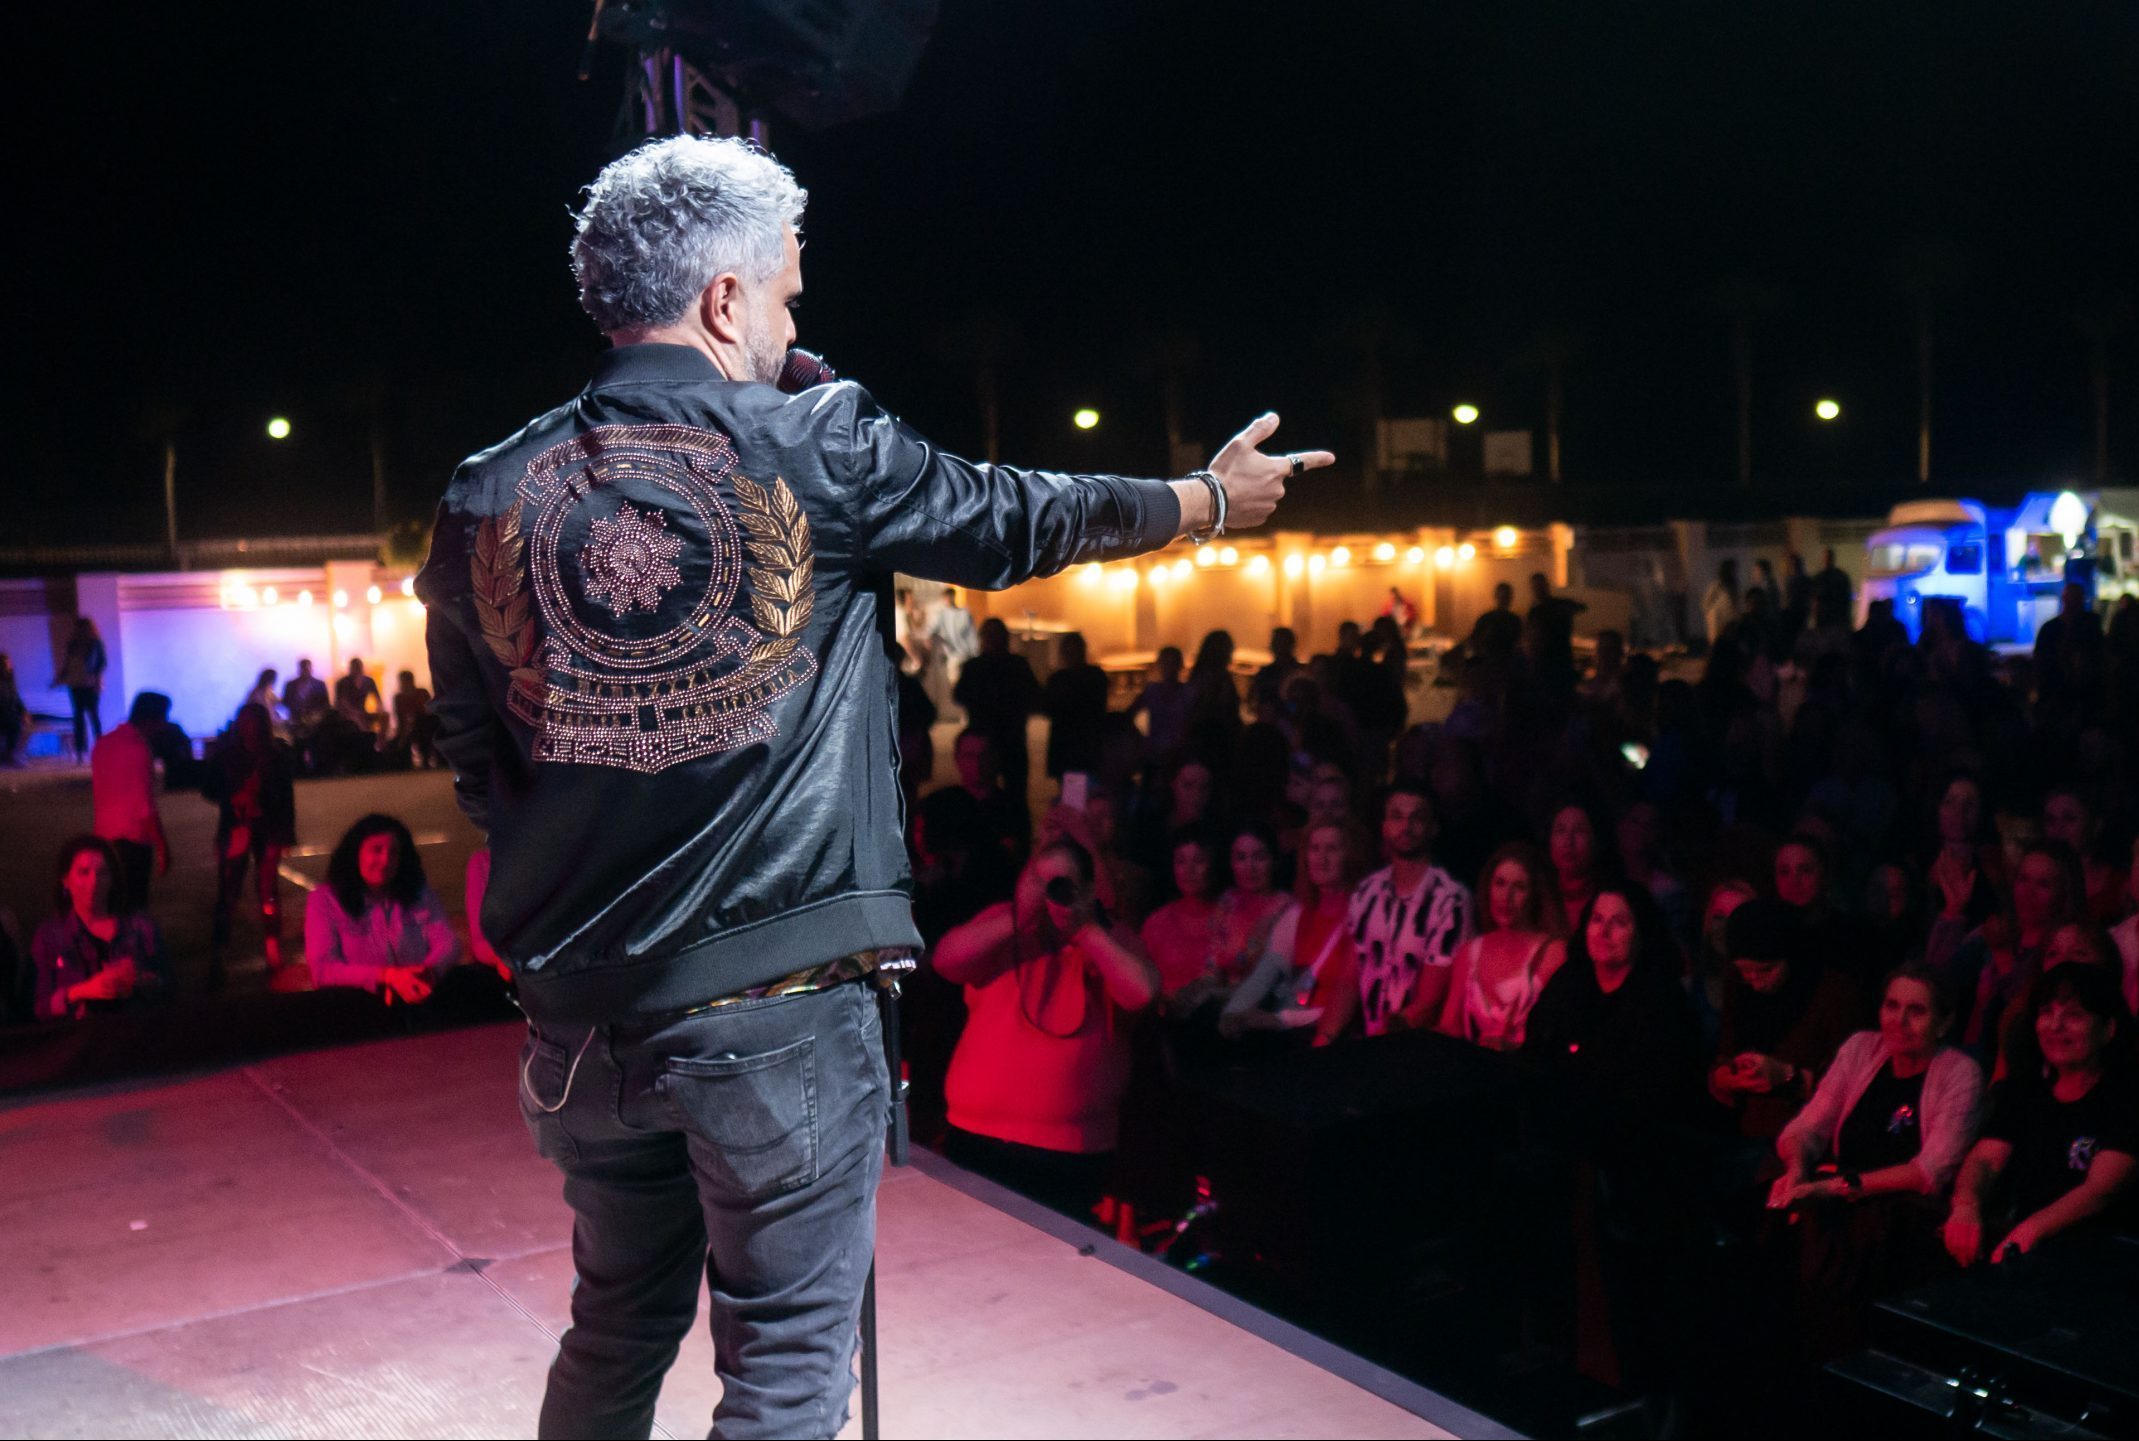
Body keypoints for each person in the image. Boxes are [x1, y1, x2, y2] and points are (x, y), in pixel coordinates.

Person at [414, 135, 1320, 1439]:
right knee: (783, 1372)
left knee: (613, 1329)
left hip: (579, 1028)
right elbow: (1011, 517)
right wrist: (1201, 502)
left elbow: (475, 767)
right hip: (773, 1016)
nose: (792, 319)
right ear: (723, 300)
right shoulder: (816, 440)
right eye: (784, 293)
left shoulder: (482, 491)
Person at [935, 839, 1160, 1219]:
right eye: (1037, 880)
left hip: (1066, 1157)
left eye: (1061, 884)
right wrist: (1016, 921)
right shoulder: (1001, 925)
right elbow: (946, 960)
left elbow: (1141, 993)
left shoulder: (1109, 936)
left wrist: (1085, 931)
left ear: (1087, 892)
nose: (1047, 893)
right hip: (974, 1136)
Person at [1768, 964, 1983, 1351]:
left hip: (1902, 1213)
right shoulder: (1861, 1048)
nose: (1898, 1021)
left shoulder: (1959, 1072)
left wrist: (1835, 1188)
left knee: (1835, 1251)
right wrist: (1798, 1171)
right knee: (1771, 1206)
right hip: (1837, 1195)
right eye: (1891, 1006)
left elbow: (1929, 1172)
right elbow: (1807, 1127)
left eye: (1916, 1011)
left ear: (1944, 1021)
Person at [1943, 964, 2136, 1266]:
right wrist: (1966, 1204)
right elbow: (1985, 1160)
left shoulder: (2126, 1098)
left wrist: (2033, 1229)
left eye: (2073, 1015)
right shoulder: (2025, 1091)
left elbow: (2100, 1190)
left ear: (2107, 1029)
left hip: (2101, 1261)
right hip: (2025, 1248)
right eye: (2047, 1012)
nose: (2055, 1025)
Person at [1707, 899, 1863, 1144]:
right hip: (1742, 1133)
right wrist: (1725, 1077)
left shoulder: (1833, 993)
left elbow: (1851, 1083)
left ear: (1791, 955)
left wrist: (1787, 1076)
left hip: (1808, 1137)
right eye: (1745, 971)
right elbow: (1725, 1052)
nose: (1756, 981)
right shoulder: (1738, 986)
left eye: (1767, 970)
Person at [1220, 820, 1361, 1046]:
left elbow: (1351, 1005)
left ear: (1351, 856)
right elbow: (1263, 976)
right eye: (1314, 849)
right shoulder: (1296, 915)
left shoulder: (1362, 916)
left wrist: (1280, 1019)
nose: (1321, 858)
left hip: (1338, 1037)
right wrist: (1233, 1013)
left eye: (1332, 849)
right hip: (1293, 1029)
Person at [1349, 780, 1472, 1035]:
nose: (1405, 827)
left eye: (1416, 818)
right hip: (1369, 1038)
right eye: (1396, 817)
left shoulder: (1450, 899)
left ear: (1433, 827)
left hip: (1419, 1044)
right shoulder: (1366, 892)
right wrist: (1325, 1036)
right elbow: (1349, 974)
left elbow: (1429, 1002)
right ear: (1384, 826)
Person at [304, 814, 462, 1000]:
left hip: (418, 1000)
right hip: (355, 1010)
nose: (386, 861)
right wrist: (386, 977)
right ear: (355, 853)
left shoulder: (419, 893)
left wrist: (426, 973)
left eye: (394, 852)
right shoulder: (325, 900)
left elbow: (448, 943)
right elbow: (323, 970)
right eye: (376, 850)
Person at [1423, 841, 1564, 1047]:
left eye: (1519, 887)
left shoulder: (1554, 953)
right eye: (1500, 883)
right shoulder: (1469, 953)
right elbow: (1450, 1027)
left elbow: (1558, 1035)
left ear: (1534, 894)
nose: (1506, 897)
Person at [201, 702, 297, 982]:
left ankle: (272, 949)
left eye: (253, 723)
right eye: (245, 723)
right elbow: (208, 788)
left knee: (267, 891)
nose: (249, 729)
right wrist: (232, 797)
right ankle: (219, 953)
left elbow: (287, 797)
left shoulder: (276, 756)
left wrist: (286, 832)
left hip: (267, 829)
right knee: (229, 893)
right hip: (236, 830)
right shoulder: (227, 756)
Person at [30, 836, 170, 1020]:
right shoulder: (50, 937)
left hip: (136, 1038)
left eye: (103, 873)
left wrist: (142, 979)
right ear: (66, 880)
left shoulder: (141, 929)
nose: (94, 882)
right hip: (79, 1044)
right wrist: (83, 991)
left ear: (113, 879)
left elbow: (170, 988)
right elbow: (37, 1008)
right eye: (84, 872)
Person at [91, 693, 173, 914]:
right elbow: (144, 805)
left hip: (104, 835)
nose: (164, 725)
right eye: (163, 718)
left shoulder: (104, 743)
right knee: (134, 904)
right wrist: (163, 846)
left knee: (112, 900)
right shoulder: (138, 748)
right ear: (152, 718)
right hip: (132, 838)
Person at [955, 616, 1042, 802]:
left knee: (1014, 794)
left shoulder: (1014, 666)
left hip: (1010, 740)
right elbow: (960, 695)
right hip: (988, 741)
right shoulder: (977, 667)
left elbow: (1034, 696)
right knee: (986, 794)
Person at [1138, 826, 1225, 1002]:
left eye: (1199, 861)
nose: (1189, 870)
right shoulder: (1157, 923)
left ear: (1214, 864)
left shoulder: (1232, 918)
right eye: (1181, 861)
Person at [1040, 631, 1109, 781]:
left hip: (1076, 746)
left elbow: (1048, 708)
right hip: (1080, 746)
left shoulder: (1058, 680)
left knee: (1075, 797)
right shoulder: (1095, 676)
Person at [1127, 645, 1192, 770]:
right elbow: (1129, 715)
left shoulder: (1187, 692)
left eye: (1171, 663)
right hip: (1160, 754)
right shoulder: (1153, 690)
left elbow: (1129, 714)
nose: (1168, 667)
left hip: (1174, 755)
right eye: (1165, 663)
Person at [1545, 800, 1605, 933]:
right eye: (1560, 830)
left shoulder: (1610, 898)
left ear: (1595, 841)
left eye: (1580, 831)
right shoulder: (1535, 897)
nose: (1568, 841)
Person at [54, 615, 106, 759]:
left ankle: (99, 748)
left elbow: (101, 663)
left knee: (92, 715)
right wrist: (60, 678)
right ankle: (80, 751)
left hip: (88, 683)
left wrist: (97, 680)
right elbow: (68, 664)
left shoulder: (95, 643)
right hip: (76, 683)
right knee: (80, 717)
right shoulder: (74, 644)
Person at [389, 669, 440, 769]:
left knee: (423, 727)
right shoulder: (399, 698)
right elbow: (400, 717)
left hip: (423, 724)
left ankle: (426, 758)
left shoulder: (421, 693)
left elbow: (428, 710)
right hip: (410, 726)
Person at [1467, 582, 1523, 667]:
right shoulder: (1486, 619)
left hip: (1506, 665)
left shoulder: (1515, 620)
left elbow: (1520, 643)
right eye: (1502, 596)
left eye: (1506, 596)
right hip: (1490, 664)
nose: (1504, 599)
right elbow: (1473, 641)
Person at [1248, 627, 1302, 711]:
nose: (1276, 647)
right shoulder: (1301, 671)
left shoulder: (1300, 673)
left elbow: (1253, 701)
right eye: (1276, 643)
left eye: (1280, 643)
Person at [335, 657, 385, 735]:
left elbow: (377, 697)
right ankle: (364, 738)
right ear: (351, 668)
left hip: (362, 712)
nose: (357, 669)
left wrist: (380, 708)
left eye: (358, 667)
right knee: (355, 718)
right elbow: (342, 703)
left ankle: (381, 740)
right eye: (355, 667)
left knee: (385, 716)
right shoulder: (343, 682)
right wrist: (355, 712)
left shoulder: (369, 681)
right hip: (347, 714)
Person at [1702, 559, 1741, 649]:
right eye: (1732, 569)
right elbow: (1706, 603)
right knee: (1718, 644)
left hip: (1729, 620)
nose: (1734, 572)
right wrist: (1712, 614)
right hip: (1717, 619)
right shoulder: (1717, 585)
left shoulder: (1734, 585)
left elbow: (1735, 603)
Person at [282, 658, 329, 728]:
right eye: (304, 669)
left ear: (311, 669)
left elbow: (325, 703)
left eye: (307, 669)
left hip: (315, 721)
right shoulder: (290, 685)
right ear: (299, 670)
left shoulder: (320, 684)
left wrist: (317, 715)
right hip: (295, 721)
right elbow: (285, 701)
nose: (306, 672)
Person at [0, 651, 26, 766]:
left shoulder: (10, 681)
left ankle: (11, 754)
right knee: (13, 723)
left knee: (16, 723)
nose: (10, 664)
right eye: (7, 662)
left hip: (10, 713)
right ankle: (9, 755)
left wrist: (24, 711)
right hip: (3, 714)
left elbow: (16, 698)